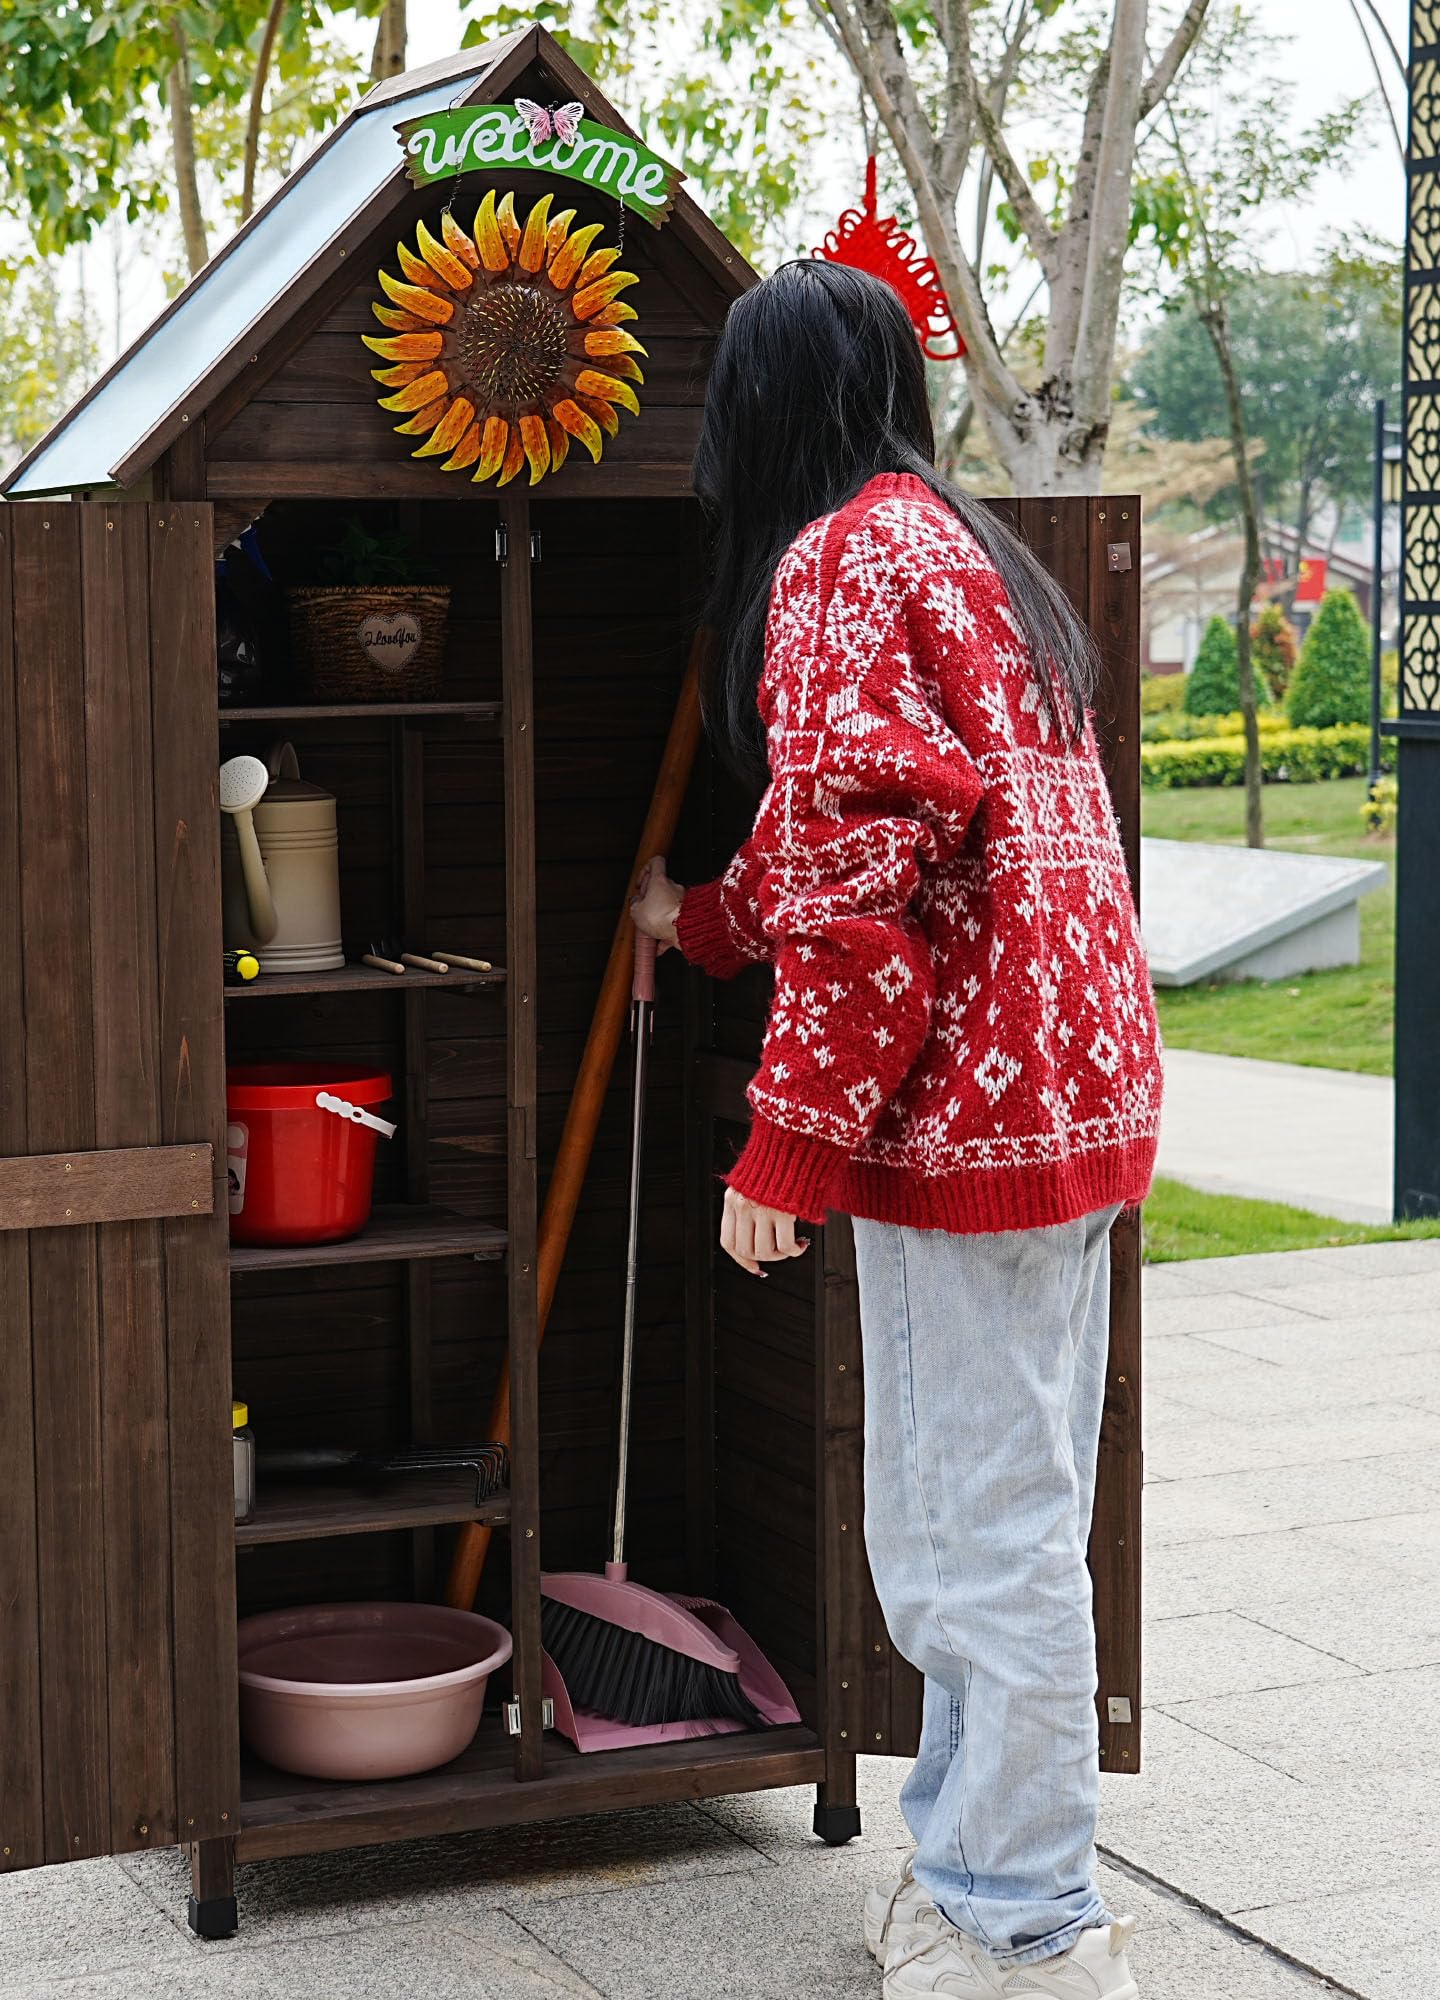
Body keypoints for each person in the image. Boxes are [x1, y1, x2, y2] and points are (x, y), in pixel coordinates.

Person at [630, 261, 1161, 2000]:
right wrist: (699, 920)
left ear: (756, 410)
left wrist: (781, 1151)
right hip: (1076, 1093)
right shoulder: (965, 550)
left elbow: (863, 900)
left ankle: (1029, 1928)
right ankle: (975, 1871)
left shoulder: (841, 559)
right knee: (1000, 1519)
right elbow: (850, 842)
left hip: (971, 1129)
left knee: (970, 1539)